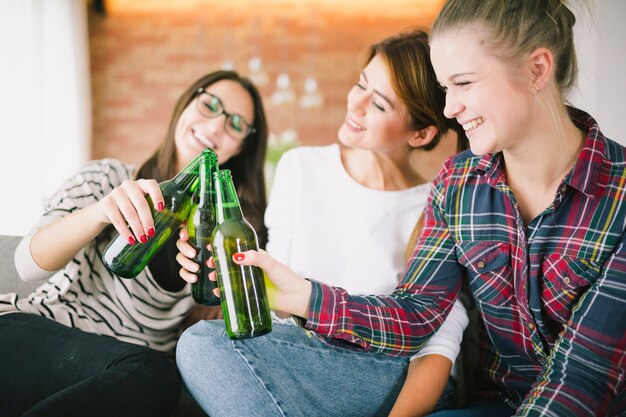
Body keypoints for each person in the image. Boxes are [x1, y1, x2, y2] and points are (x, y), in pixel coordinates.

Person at [182, 0, 626, 416]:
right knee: (203, 345)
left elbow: (581, 379)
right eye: (445, 88)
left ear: (537, 69)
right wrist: (299, 294)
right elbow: (416, 312)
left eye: (464, 83)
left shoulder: (619, 194)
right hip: (493, 406)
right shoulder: (457, 183)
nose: (451, 108)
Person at [175, 29, 469, 417]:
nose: (355, 104)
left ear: (422, 133)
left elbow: (436, 350)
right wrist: (235, 276)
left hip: (390, 376)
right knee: (201, 349)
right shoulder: (301, 167)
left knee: (201, 346)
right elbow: (278, 308)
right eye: (360, 84)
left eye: (378, 104)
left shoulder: (437, 204)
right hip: (307, 362)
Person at [0, 70, 269, 417]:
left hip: (113, 381)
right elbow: (25, 265)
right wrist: (100, 211)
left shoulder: (221, 234)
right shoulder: (107, 178)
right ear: (186, 103)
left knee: (157, 376)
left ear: (241, 146)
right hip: (26, 336)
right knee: (154, 374)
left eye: (235, 124)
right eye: (210, 105)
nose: (216, 126)